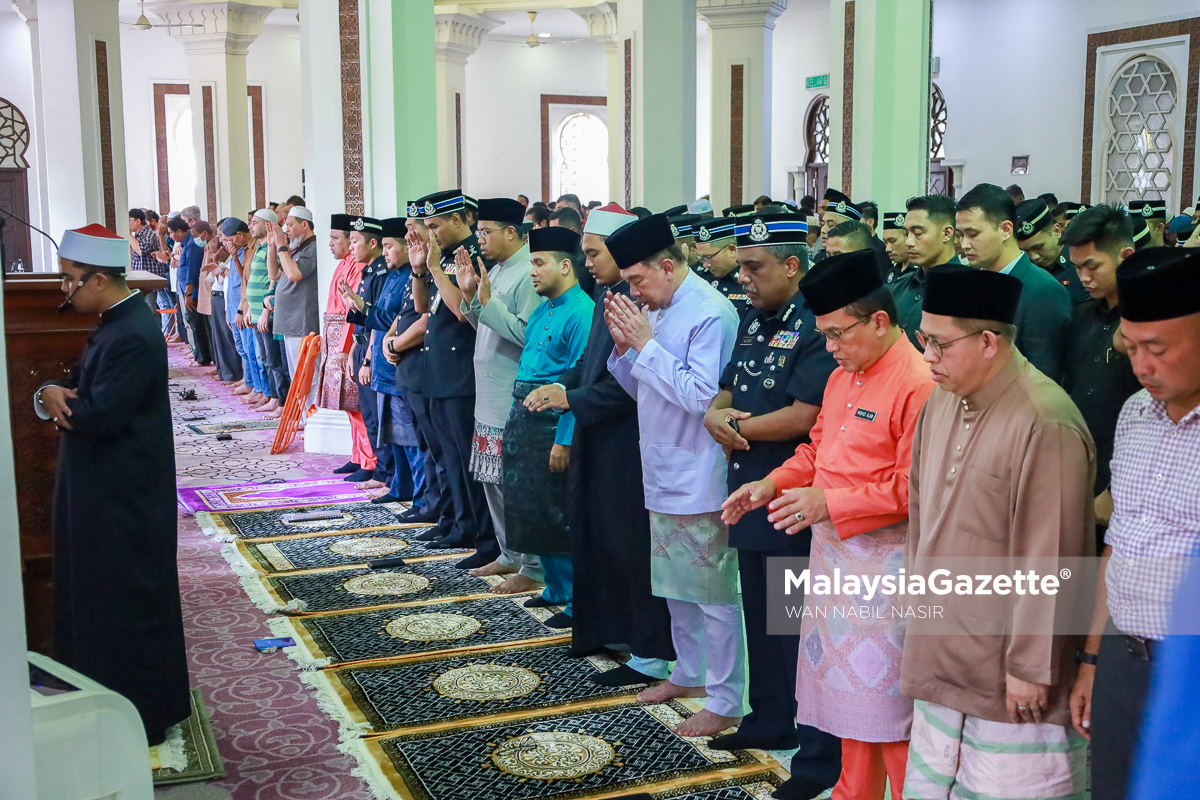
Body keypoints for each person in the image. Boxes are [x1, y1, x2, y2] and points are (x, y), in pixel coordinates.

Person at [724, 248, 935, 800]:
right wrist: (772, 484)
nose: (832, 348)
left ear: (880, 321)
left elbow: (913, 488)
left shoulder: (917, 383)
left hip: (886, 571)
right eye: (825, 335)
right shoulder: (847, 375)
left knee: (887, 706)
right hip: (835, 561)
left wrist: (831, 504)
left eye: (839, 334)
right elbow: (817, 450)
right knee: (844, 698)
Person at [901, 267, 1094, 799]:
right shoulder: (941, 399)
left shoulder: (1044, 420)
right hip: (944, 645)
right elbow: (921, 513)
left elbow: (1051, 555)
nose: (928, 358)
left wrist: (1032, 666)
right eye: (923, 340)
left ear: (988, 341)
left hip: (1009, 671)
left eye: (939, 344)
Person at [35, 224, 189, 744]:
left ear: (98, 280)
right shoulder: (115, 321)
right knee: (103, 600)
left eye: (70, 280)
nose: (65, 290)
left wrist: (59, 398)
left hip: (123, 496)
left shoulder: (131, 333)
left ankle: (139, 714)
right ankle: (106, 700)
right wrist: (52, 392)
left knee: (125, 604)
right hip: (106, 489)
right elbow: (74, 382)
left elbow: (99, 416)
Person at [703, 214, 841, 793]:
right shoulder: (753, 319)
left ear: (791, 265)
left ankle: (807, 732)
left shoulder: (815, 323)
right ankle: (768, 716)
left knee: (794, 624)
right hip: (752, 485)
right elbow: (732, 383)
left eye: (755, 267)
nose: (746, 278)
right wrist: (717, 411)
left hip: (792, 493)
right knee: (759, 612)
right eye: (741, 267)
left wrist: (741, 427)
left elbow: (806, 413)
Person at [603, 213, 745, 738]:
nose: (635, 292)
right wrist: (624, 351)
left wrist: (644, 345)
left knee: (712, 592)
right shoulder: (658, 309)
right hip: (661, 468)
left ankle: (729, 698)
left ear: (667, 265)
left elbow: (704, 399)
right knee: (675, 586)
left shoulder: (712, 312)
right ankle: (689, 673)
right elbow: (644, 389)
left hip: (701, 470)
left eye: (638, 280)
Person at [1069, 247, 1200, 800]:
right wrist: (1093, 658)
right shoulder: (1135, 415)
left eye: (1158, 349)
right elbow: (1119, 542)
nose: (1140, 366)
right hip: (1125, 654)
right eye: (1131, 347)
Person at [525, 202, 676, 680]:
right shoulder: (607, 292)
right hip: (597, 436)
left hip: (626, 444)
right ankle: (602, 627)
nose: (587, 263)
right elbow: (593, 365)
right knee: (596, 536)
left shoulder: (636, 300)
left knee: (628, 545)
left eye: (594, 254)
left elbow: (627, 385)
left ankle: (646, 648)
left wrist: (571, 396)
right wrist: (564, 387)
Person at [501, 226, 593, 628]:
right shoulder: (544, 309)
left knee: (560, 513)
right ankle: (554, 588)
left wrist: (565, 440)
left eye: (539, 263)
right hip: (527, 419)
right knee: (535, 510)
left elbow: (579, 382)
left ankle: (575, 597)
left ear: (566, 265)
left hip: (555, 424)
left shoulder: (582, 311)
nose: (533, 271)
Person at [454, 198, 544, 591]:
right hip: (488, 394)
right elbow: (486, 327)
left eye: (486, 231)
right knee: (493, 480)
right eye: (479, 232)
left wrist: (487, 302)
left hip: (511, 394)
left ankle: (533, 565)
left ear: (512, 232)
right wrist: (473, 297)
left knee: (516, 484)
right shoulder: (499, 270)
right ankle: (508, 554)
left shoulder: (529, 273)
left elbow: (528, 334)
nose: (480, 239)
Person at [408, 191, 498, 567]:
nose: (431, 233)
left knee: (469, 464)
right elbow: (420, 307)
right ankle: (458, 525)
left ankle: (485, 539)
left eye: (435, 226)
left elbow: (462, 312)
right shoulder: (440, 258)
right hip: (440, 373)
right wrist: (419, 270)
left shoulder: (470, 257)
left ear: (458, 221)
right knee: (448, 459)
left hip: (462, 375)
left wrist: (431, 269)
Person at [1059, 206, 1143, 552]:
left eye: (1092, 266)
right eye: (1077, 267)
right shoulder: (1080, 315)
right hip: (1078, 468)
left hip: (1125, 476)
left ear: (1125, 256)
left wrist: (1114, 490)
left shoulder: (1147, 329)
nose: (1083, 277)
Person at [954, 183, 1072, 383]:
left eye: (973, 234)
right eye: (961, 235)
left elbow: (1043, 379)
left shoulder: (1043, 291)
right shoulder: (968, 283)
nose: (965, 245)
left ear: (1006, 230)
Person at [342, 218, 423, 505]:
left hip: (397, 362)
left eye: (389, 246)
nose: (385, 253)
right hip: (381, 362)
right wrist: (361, 308)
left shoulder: (410, 278)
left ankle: (419, 495)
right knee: (392, 433)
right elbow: (382, 319)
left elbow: (400, 321)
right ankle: (398, 486)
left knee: (409, 437)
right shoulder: (391, 275)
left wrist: (365, 308)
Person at [321, 214, 375, 481]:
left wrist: (344, 347)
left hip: (347, 339)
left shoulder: (357, 266)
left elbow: (351, 311)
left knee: (356, 403)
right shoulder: (344, 263)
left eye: (335, 238)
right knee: (347, 402)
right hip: (334, 336)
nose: (331, 243)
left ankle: (369, 460)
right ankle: (357, 456)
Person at [343, 217, 394, 491]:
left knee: (378, 414)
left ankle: (385, 473)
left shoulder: (381, 273)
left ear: (372, 242)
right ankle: (380, 470)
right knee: (370, 415)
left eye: (354, 241)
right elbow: (362, 318)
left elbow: (378, 320)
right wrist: (353, 348)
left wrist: (367, 359)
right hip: (362, 344)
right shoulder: (368, 271)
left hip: (373, 348)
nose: (351, 247)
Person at [268, 206, 321, 399]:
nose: (287, 230)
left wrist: (282, 246)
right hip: (291, 323)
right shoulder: (298, 248)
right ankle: (301, 415)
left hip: (303, 322)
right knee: (297, 374)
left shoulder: (313, 248)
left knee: (309, 376)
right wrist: (273, 247)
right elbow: (274, 273)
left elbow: (293, 274)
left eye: (290, 225)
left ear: (304, 224)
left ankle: (311, 417)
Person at [247, 209, 288, 415]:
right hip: (256, 314)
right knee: (265, 359)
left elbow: (274, 280)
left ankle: (280, 400)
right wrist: (248, 309)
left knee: (274, 361)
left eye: (255, 222)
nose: (250, 226)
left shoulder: (274, 250)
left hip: (269, 315)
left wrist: (264, 311)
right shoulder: (260, 248)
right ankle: (272, 396)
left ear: (269, 225)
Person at [1014, 198, 1089, 304]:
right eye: (1025, 250)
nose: (1034, 257)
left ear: (1057, 231)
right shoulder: (1023, 272)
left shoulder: (1080, 266)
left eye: (1039, 247)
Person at [694, 216, 752, 318]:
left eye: (708, 257)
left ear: (731, 250)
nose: (705, 265)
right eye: (701, 258)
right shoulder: (702, 279)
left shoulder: (751, 279)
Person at [879, 210, 910, 285]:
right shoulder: (891, 270)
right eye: (885, 242)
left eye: (892, 241)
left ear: (908, 238)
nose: (887, 249)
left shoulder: (922, 272)